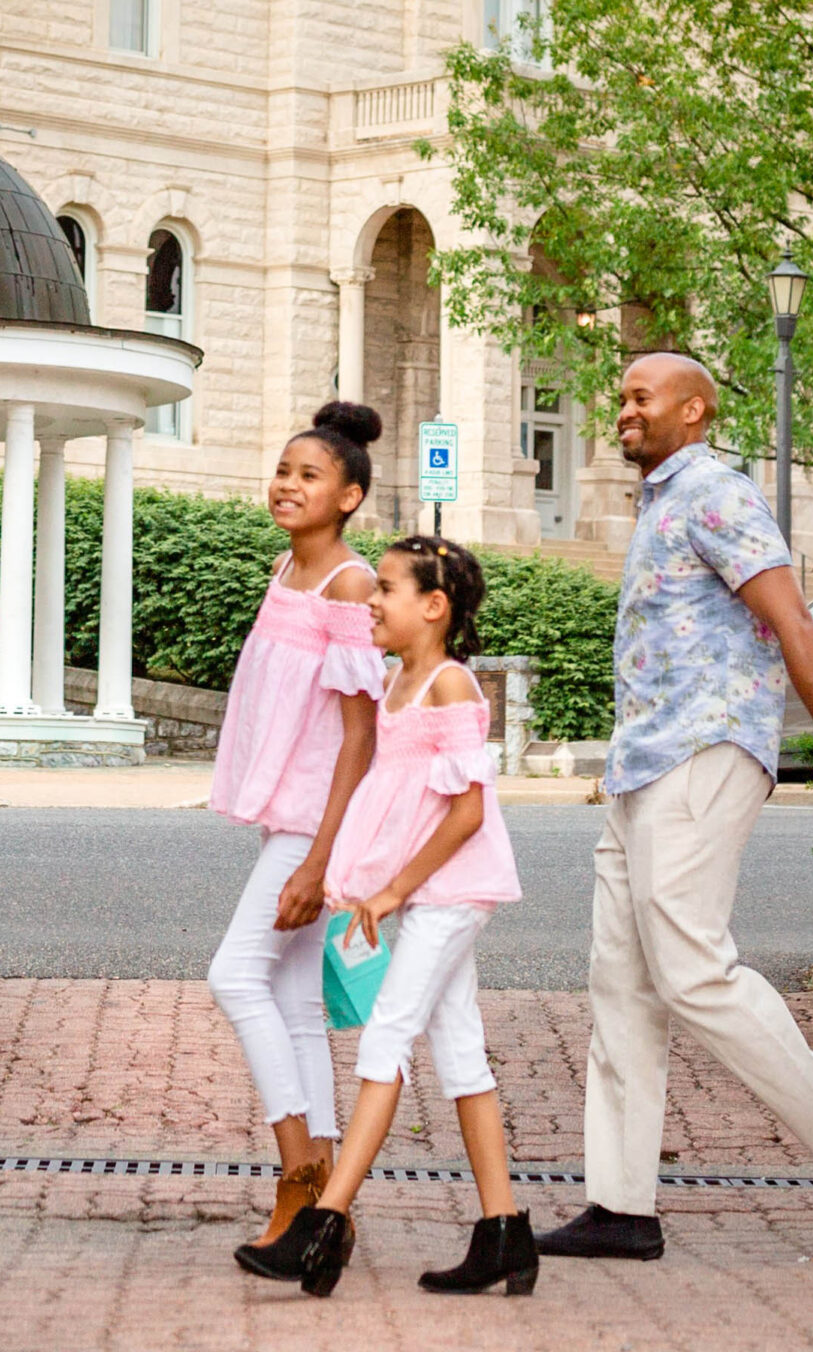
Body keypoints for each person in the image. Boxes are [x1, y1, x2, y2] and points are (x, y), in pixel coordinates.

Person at [537, 352, 813, 1265]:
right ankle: (621, 1205)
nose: (622, 409)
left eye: (640, 397)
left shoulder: (714, 492)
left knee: (693, 971)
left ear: (693, 411)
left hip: (704, 755)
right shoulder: (661, 499)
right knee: (619, 983)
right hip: (642, 768)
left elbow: (795, 622)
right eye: (619, 395)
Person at [240, 535, 531, 1300]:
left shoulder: (451, 686)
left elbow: (467, 814)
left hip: (452, 894)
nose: (372, 600)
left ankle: (324, 1224)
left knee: (385, 1036)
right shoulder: (401, 683)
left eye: (389, 591)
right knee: (461, 1054)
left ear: (433, 607)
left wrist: (393, 892)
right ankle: (505, 1233)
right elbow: (395, 798)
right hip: (430, 894)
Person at [204, 401, 386, 1252]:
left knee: (234, 977)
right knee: (295, 1004)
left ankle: (298, 1169)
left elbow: (362, 734)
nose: (287, 485)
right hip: (292, 817)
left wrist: (321, 859)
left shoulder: (351, 585)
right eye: (283, 470)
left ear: (349, 496)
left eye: (309, 475)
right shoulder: (288, 570)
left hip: (317, 825)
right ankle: (325, 1211)